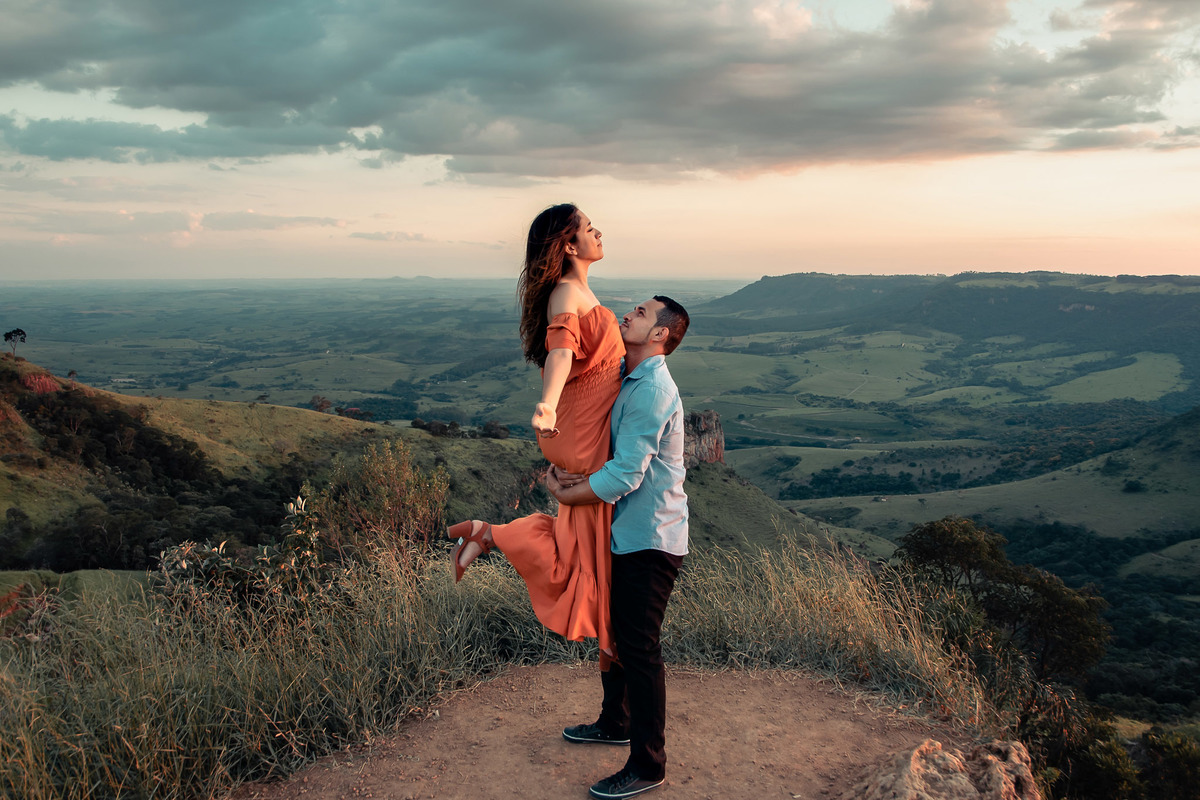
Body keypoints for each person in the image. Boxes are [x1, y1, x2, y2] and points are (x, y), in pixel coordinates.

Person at [446, 203, 624, 658]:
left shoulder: (579, 291)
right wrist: (546, 403)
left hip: (579, 428)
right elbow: (560, 354)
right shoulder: (566, 294)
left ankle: (490, 534)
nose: (598, 232)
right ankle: (492, 536)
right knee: (586, 560)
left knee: (580, 547)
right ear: (568, 244)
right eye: (589, 227)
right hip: (577, 429)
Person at [545, 296, 690, 800]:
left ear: (660, 336)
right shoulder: (626, 380)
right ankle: (615, 722)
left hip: (650, 537)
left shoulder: (650, 390)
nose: (629, 314)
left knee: (640, 648)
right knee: (618, 634)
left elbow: (626, 474)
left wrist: (567, 493)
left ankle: (649, 765)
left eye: (643, 314)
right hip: (625, 531)